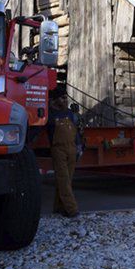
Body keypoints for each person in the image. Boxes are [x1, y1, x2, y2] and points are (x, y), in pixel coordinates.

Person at [47, 85, 80, 217]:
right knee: (63, 180)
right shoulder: (49, 115)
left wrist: (79, 146)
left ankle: (58, 208)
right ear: (55, 100)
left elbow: (75, 132)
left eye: (66, 97)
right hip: (58, 149)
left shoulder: (69, 114)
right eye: (63, 98)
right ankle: (72, 210)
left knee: (67, 180)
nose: (66, 100)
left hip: (72, 148)